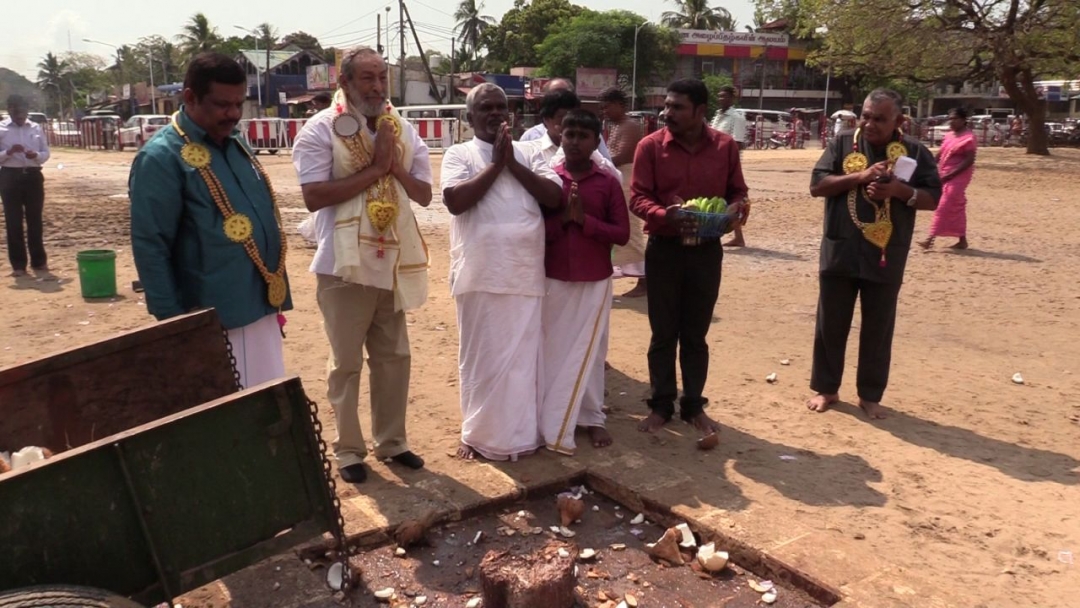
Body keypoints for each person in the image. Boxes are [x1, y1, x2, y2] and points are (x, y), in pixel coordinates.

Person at [291, 47, 431, 483]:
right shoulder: (320, 129)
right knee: (346, 362)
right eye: (366, 78)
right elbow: (314, 196)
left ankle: (392, 442)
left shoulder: (403, 128)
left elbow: (424, 194)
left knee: (394, 357)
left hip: (390, 260)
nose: (375, 87)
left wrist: (392, 166)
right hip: (342, 266)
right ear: (345, 83)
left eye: (381, 78)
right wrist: (376, 169)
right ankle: (349, 450)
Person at [130, 53, 291, 389]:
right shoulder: (161, 158)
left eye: (239, 104)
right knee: (233, 416)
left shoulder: (235, 144)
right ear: (190, 97)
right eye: (222, 104)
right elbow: (151, 247)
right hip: (212, 316)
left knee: (267, 406)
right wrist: (175, 325)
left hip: (260, 305)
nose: (233, 114)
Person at [441, 83, 563, 461]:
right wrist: (496, 164)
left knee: (522, 359)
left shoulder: (530, 151)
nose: (495, 113)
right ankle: (477, 435)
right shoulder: (458, 153)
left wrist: (512, 162)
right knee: (481, 358)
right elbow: (455, 201)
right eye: (486, 108)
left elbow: (554, 197)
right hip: (479, 274)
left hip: (524, 273)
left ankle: (522, 436)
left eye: (501, 107)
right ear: (469, 117)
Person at [806, 89, 942, 420]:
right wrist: (859, 177)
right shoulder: (841, 144)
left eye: (879, 119)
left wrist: (899, 191)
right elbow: (817, 185)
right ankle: (827, 389)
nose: (869, 124)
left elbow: (933, 198)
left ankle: (870, 394)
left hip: (886, 253)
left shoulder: (915, 152)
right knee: (831, 323)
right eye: (866, 115)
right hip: (841, 249)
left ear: (899, 120)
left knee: (878, 327)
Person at [630, 79, 748, 436]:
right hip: (665, 250)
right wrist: (667, 215)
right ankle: (661, 405)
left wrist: (734, 210)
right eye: (667, 105)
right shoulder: (650, 147)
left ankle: (694, 406)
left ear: (700, 111)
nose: (667, 113)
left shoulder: (725, 147)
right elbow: (638, 198)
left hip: (706, 252)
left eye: (677, 107)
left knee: (695, 335)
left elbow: (738, 192)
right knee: (663, 333)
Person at [539, 109, 629, 454]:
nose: (574, 141)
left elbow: (621, 234)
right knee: (553, 349)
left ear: (596, 141)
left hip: (593, 280)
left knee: (590, 353)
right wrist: (564, 220)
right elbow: (536, 232)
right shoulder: (548, 179)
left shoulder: (607, 182)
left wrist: (585, 222)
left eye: (583, 135)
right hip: (553, 277)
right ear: (560, 137)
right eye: (569, 134)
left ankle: (591, 418)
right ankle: (554, 415)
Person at [599, 86, 647, 297]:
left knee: (631, 230)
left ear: (619, 105)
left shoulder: (630, 125)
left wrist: (598, 162)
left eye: (607, 107)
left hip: (627, 179)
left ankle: (645, 280)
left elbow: (623, 156)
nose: (604, 112)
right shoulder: (618, 126)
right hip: (617, 178)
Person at [0, 95, 50, 278]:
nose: (18, 115)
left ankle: (39, 262)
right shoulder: (2, 128)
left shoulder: (36, 128)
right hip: (9, 176)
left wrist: (35, 155)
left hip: (33, 176)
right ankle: (19, 265)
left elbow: (46, 153)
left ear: (27, 110)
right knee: (13, 222)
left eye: (21, 112)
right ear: (9, 110)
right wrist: (9, 152)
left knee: (35, 221)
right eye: (14, 111)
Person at [526, 88, 620, 178]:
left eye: (573, 117)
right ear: (546, 119)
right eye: (561, 117)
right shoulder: (532, 152)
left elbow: (615, 178)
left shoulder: (592, 150)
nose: (569, 123)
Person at [919, 107, 976, 251]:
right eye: (950, 118)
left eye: (955, 118)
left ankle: (930, 239)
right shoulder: (949, 135)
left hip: (959, 175)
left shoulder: (969, 137)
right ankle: (962, 240)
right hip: (944, 172)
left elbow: (969, 160)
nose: (951, 121)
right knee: (956, 205)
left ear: (963, 120)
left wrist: (951, 174)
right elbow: (940, 153)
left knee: (943, 204)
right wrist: (929, 165)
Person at [521, 78, 612, 162]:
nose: (567, 123)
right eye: (561, 118)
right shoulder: (530, 141)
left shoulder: (590, 138)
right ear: (546, 119)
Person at [709, 85, 750, 248]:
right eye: (719, 96)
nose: (721, 99)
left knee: (731, 197)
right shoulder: (717, 116)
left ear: (732, 98)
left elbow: (737, 143)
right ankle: (737, 235)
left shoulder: (737, 118)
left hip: (728, 164)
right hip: (714, 162)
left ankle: (737, 236)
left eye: (724, 96)